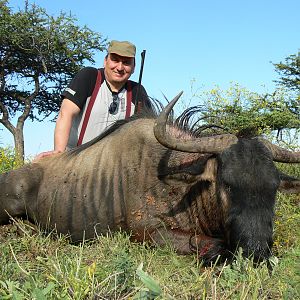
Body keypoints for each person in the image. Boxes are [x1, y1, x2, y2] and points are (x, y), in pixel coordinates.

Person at [35, 40, 151, 160]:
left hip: (113, 168)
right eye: (115, 60)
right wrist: (59, 151)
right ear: (105, 61)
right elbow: (66, 113)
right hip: (75, 160)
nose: (120, 67)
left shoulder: (138, 91)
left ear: (133, 68)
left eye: (126, 63)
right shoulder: (89, 76)